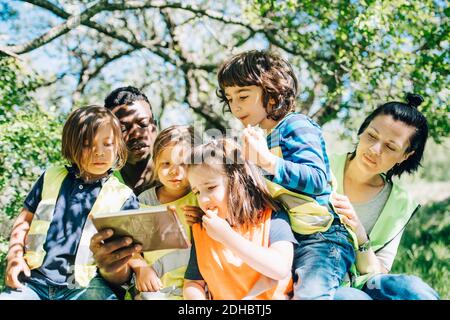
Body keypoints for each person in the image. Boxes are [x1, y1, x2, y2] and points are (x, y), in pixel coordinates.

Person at [216, 50, 355, 299]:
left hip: (321, 237)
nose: (235, 106)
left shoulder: (296, 125)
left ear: (272, 94)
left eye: (243, 96)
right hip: (287, 240)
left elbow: (316, 178)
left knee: (310, 295)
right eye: (229, 98)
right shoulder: (258, 139)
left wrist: (268, 162)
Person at [0, 105, 139, 300]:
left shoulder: (123, 196)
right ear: (71, 145)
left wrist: (141, 270)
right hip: (34, 280)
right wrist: (14, 255)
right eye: (88, 144)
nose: (99, 152)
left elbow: (130, 253)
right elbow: (25, 220)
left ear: (118, 146)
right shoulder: (50, 177)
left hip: (86, 286)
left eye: (107, 144)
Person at [331, 93, 439, 300]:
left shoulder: (399, 203)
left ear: (406, 156)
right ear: (362, 131)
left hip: (360, 281)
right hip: (313, 277)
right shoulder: (318, 169)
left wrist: (360, 235)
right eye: (371, 136)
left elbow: (377, 272)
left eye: (390, 147)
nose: (374, 149)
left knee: (413, 289)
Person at [183, 138, 297, 300]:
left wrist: (227, 237)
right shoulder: (201, 231)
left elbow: (280, 268)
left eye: (211, 188)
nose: (203, 200)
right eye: (197, 192)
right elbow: (193, 284)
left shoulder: (272, 216)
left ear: (237, 180)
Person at [89, 86, 158, 292]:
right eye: (124, 128)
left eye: (143, 124)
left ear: (154, 126)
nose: (136, 133)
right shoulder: (99, 186)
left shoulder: (180, 176)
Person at [128, 125, 202, 300]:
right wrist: (140, 268)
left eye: (182, 163)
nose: (174, 171)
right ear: (155, 164)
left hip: (194, 290)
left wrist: (204, 219)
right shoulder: (144, 201)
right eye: (166, 163)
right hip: (154, 290)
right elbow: (131, 244)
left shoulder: (200, 197)